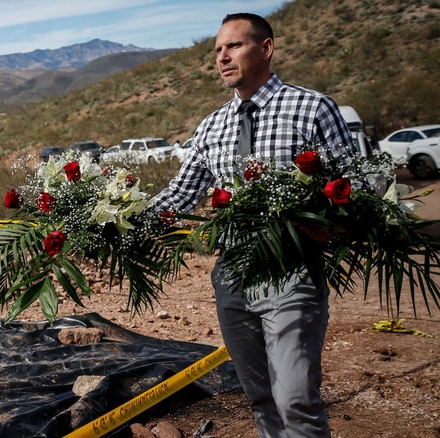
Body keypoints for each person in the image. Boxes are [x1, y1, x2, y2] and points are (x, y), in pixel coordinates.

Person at [151, 13, 356, 438]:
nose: (223, 57)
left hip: (292, 269)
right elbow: (180, 193)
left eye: (234, 46)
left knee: (296, 399)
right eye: (218, 50)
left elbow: (358, 181)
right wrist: (118, 220)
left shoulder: (312, 108)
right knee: (260, 399)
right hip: (231, 275)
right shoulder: (212, 125)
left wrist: (323, 221)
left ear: (265, 48)